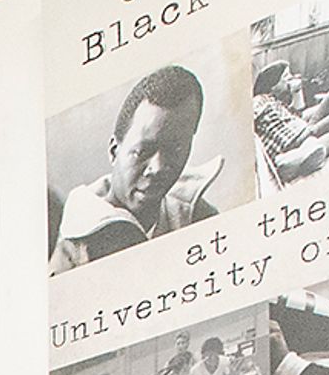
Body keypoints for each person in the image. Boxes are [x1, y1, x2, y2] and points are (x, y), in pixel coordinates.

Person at [56, 64, 221, 267]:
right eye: (143, 151)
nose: (158, 167)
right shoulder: (74, 250)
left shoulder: (200, 218)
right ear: (114, 151)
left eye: (175, 150)